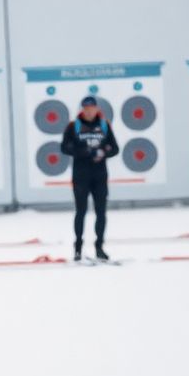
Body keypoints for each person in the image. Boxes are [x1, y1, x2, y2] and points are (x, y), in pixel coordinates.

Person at [60, 95, 119, 261]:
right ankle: (78, 248)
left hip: (100, 175)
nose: (89, 111)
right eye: (86, 108)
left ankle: (99, 247)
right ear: (82, 109)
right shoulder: (73, 126)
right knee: (81, 211)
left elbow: (115, 148)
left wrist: (103, 152)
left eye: (92, 108)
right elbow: (64, 147)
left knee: (101, 212)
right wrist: (85, 152)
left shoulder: (104, 125)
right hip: (81, 175)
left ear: (97, 109)